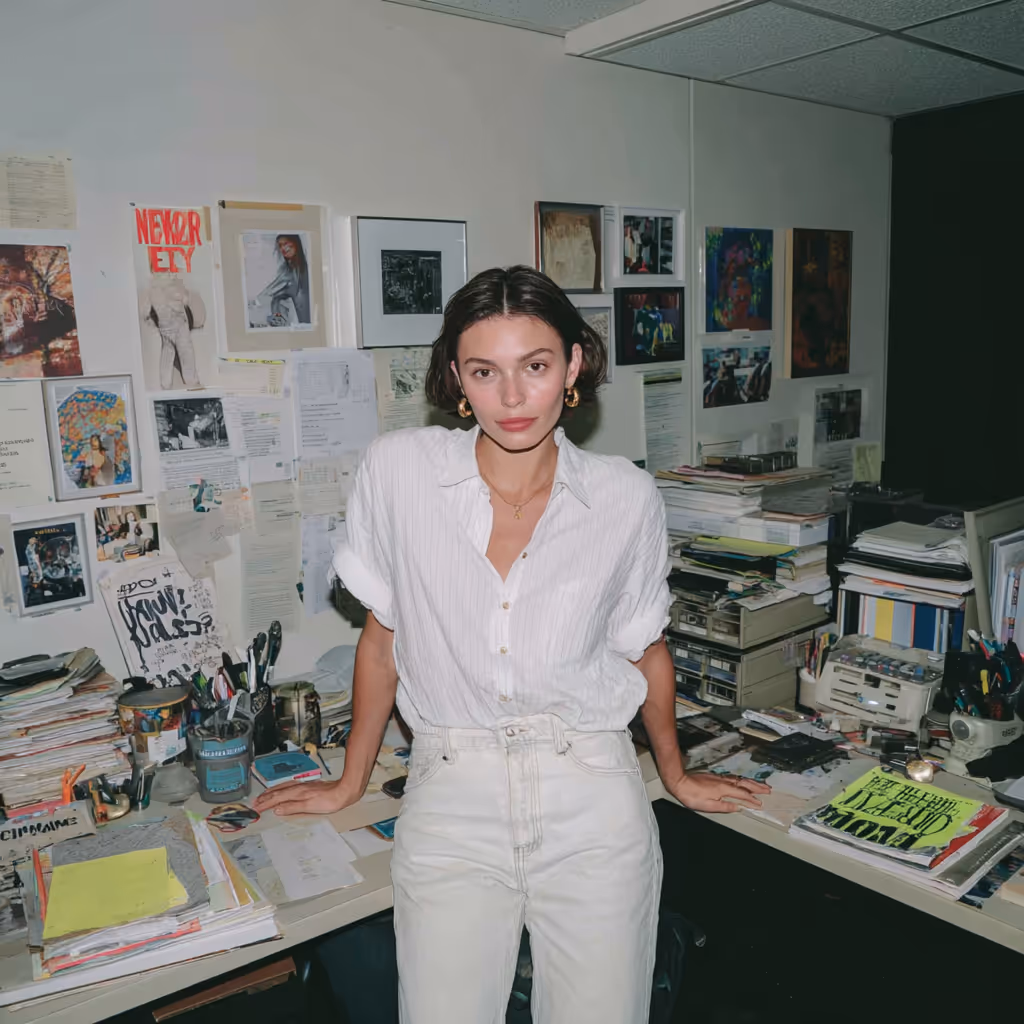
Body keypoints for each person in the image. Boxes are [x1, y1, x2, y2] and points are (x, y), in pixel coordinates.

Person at [254, 266, 768, 1024]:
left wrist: (677, 773)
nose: (513, 396)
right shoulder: (398, 472)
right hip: (452, 791)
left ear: (573, 366)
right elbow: (380, 641)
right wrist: (348, 781)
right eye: (485, 372)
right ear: (457, 379)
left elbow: (643, 648)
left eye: (535, 365)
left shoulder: (624, 497)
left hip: (591, 792)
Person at [251, 233, 311, 327]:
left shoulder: (305, 270)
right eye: (280, 245)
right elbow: (268, 293)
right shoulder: (286, 271)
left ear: (296, 243)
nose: (283, 248)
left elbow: (269, 292)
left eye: (286, 243)